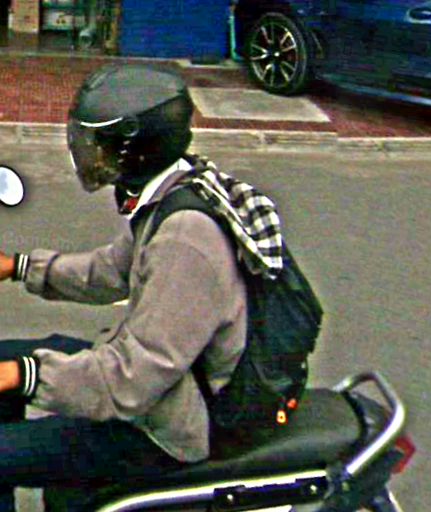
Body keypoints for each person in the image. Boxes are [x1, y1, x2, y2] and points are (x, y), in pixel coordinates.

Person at [0, 63, 263, 510]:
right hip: (158, 384)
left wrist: (23, 375)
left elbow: (133, 378)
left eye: (99, 144)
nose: (87, 154)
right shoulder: (171, 194)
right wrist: (18, 267)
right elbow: (111, 269)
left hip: (165, 427)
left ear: (138, 149)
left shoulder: (185, 239)